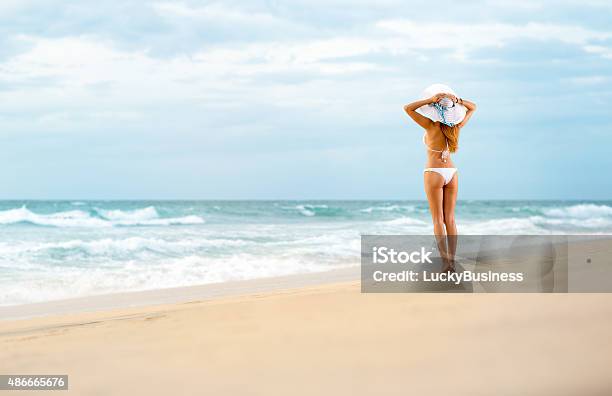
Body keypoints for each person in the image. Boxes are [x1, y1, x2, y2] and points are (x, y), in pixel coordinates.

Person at [403, 83, 476, 270]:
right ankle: (453, 259)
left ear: (435, 109)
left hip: (434, 172)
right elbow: (473, 107)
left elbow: (407, 108)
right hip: (452, 173)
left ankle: (446, 262)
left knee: (437, 220)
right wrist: (456, 100)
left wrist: (430, 100)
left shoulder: (430, 125)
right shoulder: (457, 127)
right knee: (450, 219)